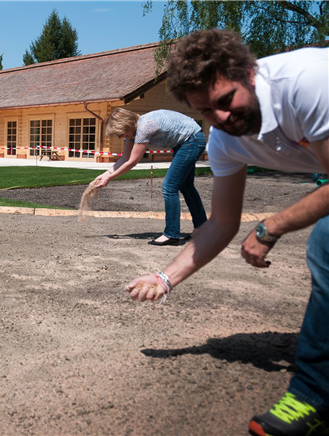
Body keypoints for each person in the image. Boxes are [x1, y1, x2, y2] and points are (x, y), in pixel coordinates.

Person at [125, 29, 328, 436]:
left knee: (325, 249)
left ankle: (311, 397)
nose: (220, 118)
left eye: (225, 100)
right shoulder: (224, 141)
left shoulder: (307, 82)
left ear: (250, 74)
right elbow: (221, 222)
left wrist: (272, 226)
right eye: (206, 111)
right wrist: (165, 278)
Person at [95, 108, 208, 245]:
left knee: (170, 187)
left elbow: (132, 162)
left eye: (120, 133)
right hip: (186, 142)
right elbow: (125, 158)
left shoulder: (144, 127)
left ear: (126, 125)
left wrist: (110, 178)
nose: (120, 137)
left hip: (192, 140)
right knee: (186, 186)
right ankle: (202, 228)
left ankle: (171, 234)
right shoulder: (134, 132)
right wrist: (106, 174)